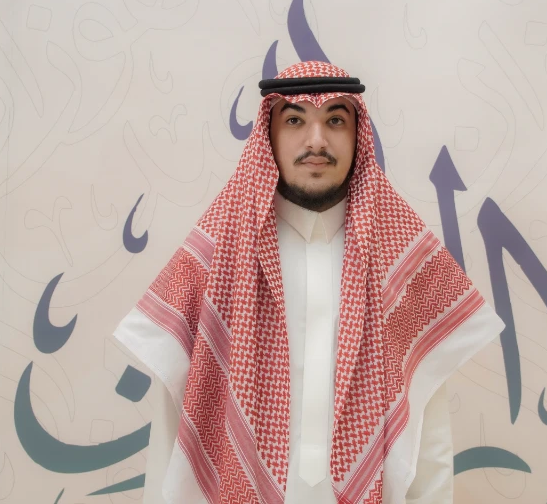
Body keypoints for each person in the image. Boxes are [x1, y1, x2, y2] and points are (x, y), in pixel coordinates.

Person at [113, 61, 505, 504]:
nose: (316, 140)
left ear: (357, 135)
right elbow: (174, 435)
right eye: (295, 120)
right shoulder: (217, 259)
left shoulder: (400, 260)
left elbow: (429, 443)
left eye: (335, 120)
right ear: (269, 135)